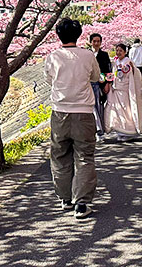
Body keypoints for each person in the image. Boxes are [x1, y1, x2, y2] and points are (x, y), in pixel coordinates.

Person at [44, 19, 101, 219]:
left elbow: (49, 80)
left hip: (59, 112)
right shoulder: (87, 55)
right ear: (78, 34)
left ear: (58, 35)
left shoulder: (52, 57)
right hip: (84, 113)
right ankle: (82, 204)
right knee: (84, 156)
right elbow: (95, 77)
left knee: (60, 155)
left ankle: (65, 199)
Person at [104, 43, 142, 141]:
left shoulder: (128, 62)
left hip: (125, 90)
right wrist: (108, 83)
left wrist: (133, 69)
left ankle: (128, 130)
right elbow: (113, 74)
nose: (118, 53)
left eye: (120, 51)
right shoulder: (116, 61)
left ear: (125, 52)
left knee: (126, 110)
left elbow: (135, 74)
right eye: (117, 50)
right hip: (116, 89)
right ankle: (120, 131)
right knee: (117, 110)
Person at [89, 33, 113, 144]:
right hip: (88, 84)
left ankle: (100, 131)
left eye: (98, 41)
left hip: (100, 84)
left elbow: (109, 69)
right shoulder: (87, 54)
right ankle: (97, 130)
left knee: (98, 107)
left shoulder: (104, 55)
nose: (96, 43)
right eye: (94, 41)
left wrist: (108, 83)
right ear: (91, 42)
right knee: (92, 108)